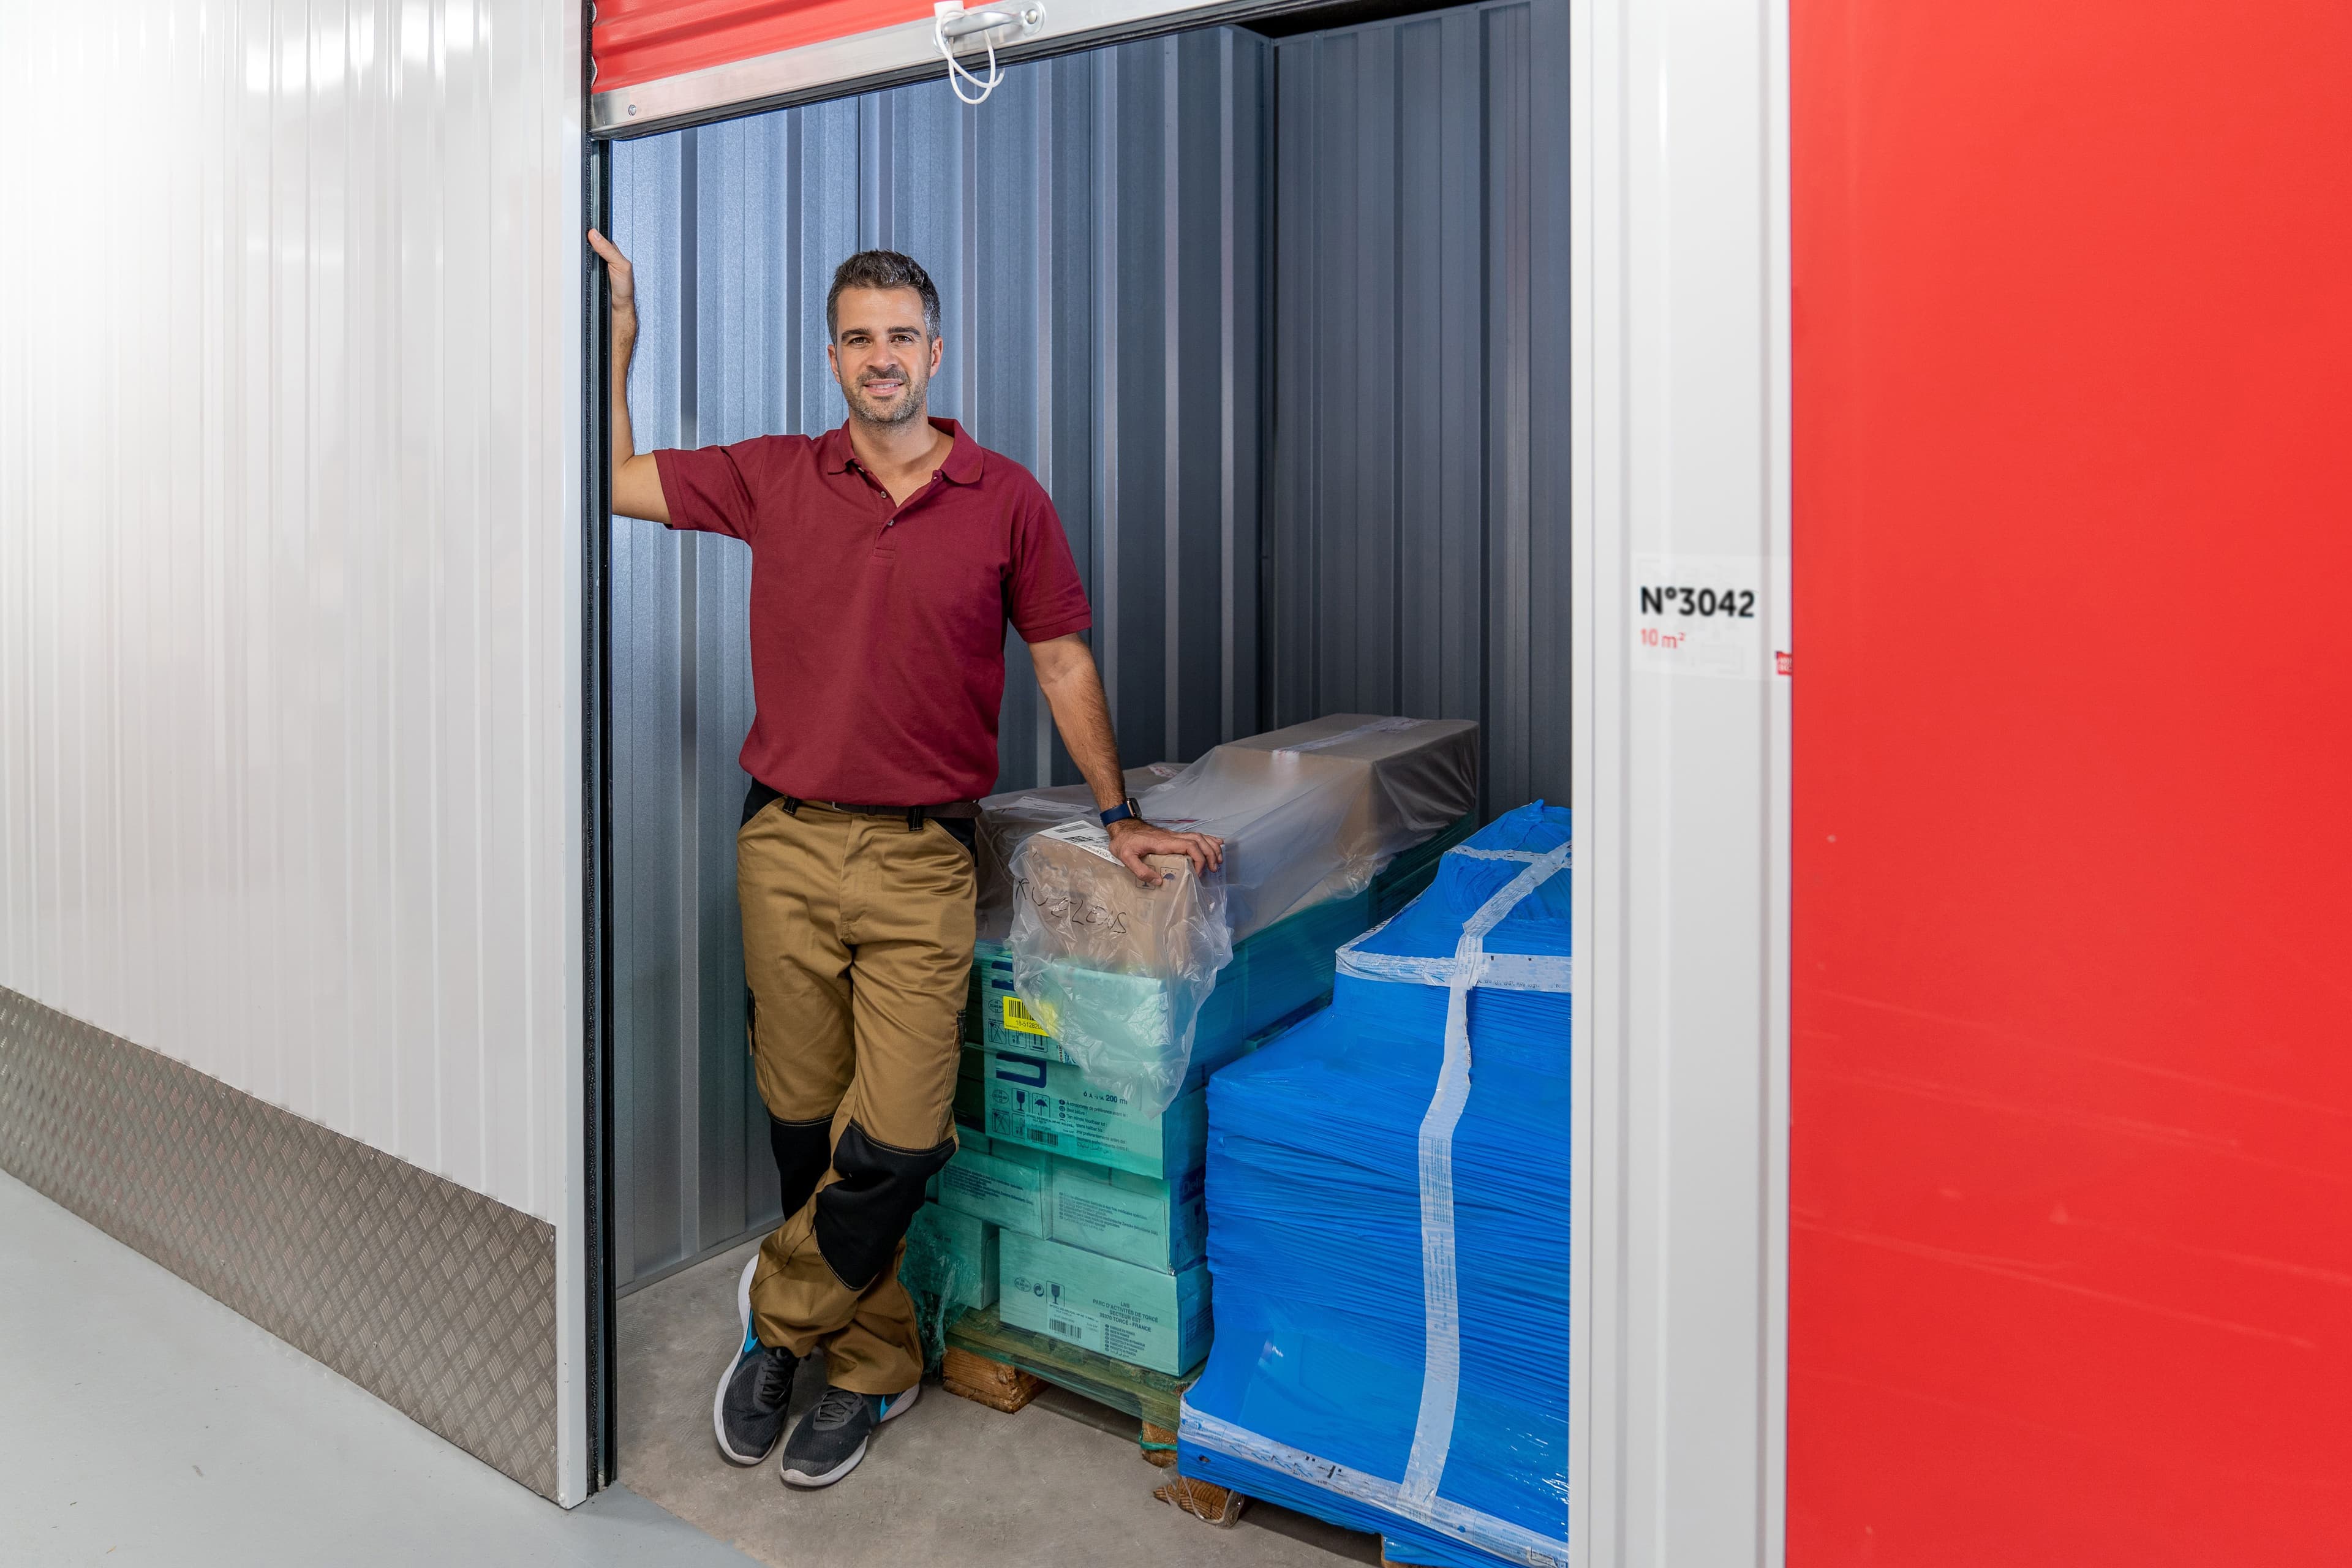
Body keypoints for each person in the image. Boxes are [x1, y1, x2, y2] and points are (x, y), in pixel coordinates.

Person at [587, 230, 1221, 1490]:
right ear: (833, 357)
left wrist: (1121, 809)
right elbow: (617, 480)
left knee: (903, 1131)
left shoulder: (1008, 498)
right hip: (784, 842)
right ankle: (872, 1368)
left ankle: (780, 1316)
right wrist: (622, 341)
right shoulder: (776, 475)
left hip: (926, 857)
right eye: (859, 337)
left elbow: (1060, 658)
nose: (883, 358)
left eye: (902, 336)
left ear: (937, 351)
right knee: (801, 1123)